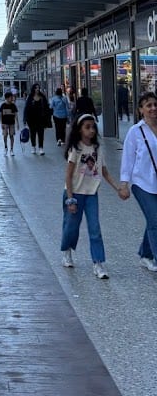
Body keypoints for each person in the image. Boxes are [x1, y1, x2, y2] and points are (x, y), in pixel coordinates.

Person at [61, 114, 124, 278]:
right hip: (74, 193)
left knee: (95, 229)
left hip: (91, 195)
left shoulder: (98, 149)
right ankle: (67, 251)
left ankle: (98, 263)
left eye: (93, 127)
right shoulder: (76, 149)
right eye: (87, 127)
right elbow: (68, 176)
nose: (91, 130)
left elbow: (104, 172)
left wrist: (118, 188)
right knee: (71, 227)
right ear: (80, 129)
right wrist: (70, 198)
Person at [119, 91, 157, 272]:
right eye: (148, 105)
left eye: (155, 105)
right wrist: (124, 184)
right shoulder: (136, 131)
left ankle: (145, 254)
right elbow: (127, 158)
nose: (153, 108)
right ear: (141, 109)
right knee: (155, 220)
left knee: (153, 220)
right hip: (142, 183)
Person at [23, 83, 51, 155]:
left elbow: (46, 108)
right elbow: (26, 108)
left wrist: (47, 118)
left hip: (41, 119)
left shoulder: (42, 97)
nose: (37, 89)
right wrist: (25, 119)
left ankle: (41, 148)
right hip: (31, 119)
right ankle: (33, 147)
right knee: (33, 134)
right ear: (33, 89)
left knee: (41, 134)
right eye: (36, 88)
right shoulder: (30, 97)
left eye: (38, 88)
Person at [0, 91, 19, 155]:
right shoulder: (3, 105)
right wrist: (1, 123)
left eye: (12, 97)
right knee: (5, 135)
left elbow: (16, 114)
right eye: (11, 97)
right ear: (7, 98)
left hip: (12, 123)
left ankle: (11, 149)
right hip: (4, 123)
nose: (12, 98)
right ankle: (5, 147)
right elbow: (0, 115)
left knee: (11, 135)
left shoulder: (13, 105)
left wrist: (17, 123)